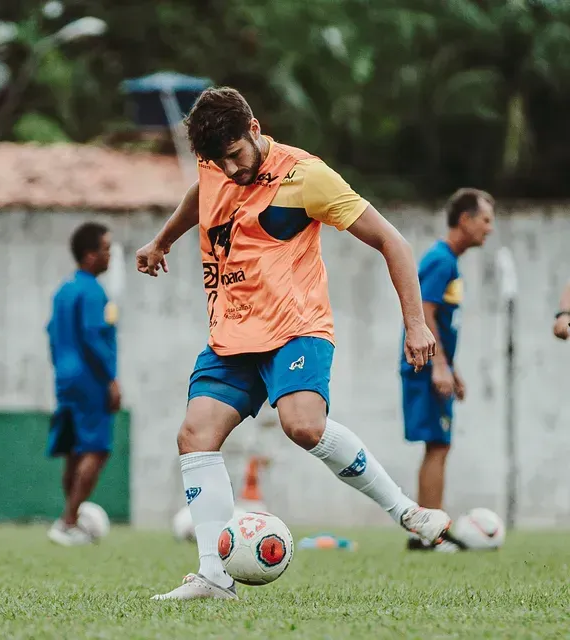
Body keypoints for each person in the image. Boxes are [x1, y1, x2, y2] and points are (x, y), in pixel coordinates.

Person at [136, 86, 450, 600]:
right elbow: (201, 191)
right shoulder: (215, 162)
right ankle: (214, 576)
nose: (230, 170)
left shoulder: (305, 176)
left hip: (295, 329)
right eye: (218, 160)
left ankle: (406, 511)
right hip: (232, 334)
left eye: (236, 155)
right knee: (194, 436)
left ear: (255, 129)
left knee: (303, 427)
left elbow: (394, 241)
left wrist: (416, 325)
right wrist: (163, 240)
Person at [400, 188, 494, 551]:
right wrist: (438, 367)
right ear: (466, 219)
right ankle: (429, 532)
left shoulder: (447, 260)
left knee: (438, 445)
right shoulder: (441, 259)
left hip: (434, 366)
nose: (489, 229)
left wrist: (451, 369)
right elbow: (424, 312)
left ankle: (427, 531)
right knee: (438, 445)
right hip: (425, 367)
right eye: (485, 221)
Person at [46, 222, 121, 546]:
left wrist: (63, 368)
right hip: (90, 378)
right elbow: (93, 336)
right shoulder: (93, 290)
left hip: (65, 377)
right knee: (97, 449)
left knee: (74, 450)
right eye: (105, 249)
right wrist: (111, 379)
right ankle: (68, 521)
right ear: (90, 255)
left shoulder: (63, 290)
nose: (109, 256)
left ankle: (70, 521)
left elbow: (51, 332)